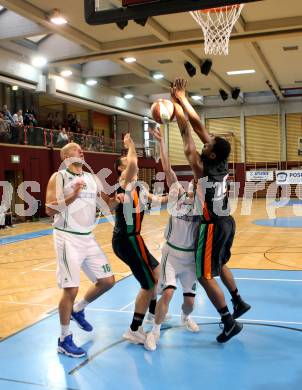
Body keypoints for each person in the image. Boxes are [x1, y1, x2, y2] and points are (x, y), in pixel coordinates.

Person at [172, 78, 251, 343]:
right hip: (228, 222)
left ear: (212, 154)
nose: (205, 142)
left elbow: (187, 137)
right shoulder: (221, 160)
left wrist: (176, 110)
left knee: (204, 275)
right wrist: (183, 99)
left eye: (207, 144)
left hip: (213, 226)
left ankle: (228, 322)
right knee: (221, 263)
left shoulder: (203, 169)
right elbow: (199, 127)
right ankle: (238, 301)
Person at [46, 142, 121, 357]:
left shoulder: (91, 178)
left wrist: (117, 200)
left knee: (107, 281)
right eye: (75, 148)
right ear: (66, 156)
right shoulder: (58, 177)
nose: (81, 150)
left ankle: (78, 310)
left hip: (88, 237)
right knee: (70, 289)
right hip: (66, 237)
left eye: (81, 149)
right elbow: (49, 209)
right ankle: (63, 339)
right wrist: (73, 196)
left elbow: (105, 205)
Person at [144, 126, 200, 352]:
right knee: (167, 292)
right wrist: (161, 141)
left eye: (198, 184)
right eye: (193, 183)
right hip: (171, 253)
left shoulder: (203, 206)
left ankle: (184, 318)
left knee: (189, 302)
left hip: (190, 260)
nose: (194, 185)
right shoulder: (177, 192)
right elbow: (167, 167)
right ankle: (154, 332)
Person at [112, 133, 168, 344]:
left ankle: (153, 312)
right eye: (125, 163)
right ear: (120, 169)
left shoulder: (140, 188)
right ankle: (134, 329)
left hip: (135, 239)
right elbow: (134, 163)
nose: (130, 164)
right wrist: (130, 145)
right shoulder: (124, 182)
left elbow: (158, 200)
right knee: (148, 283)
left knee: (156, 272)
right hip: (126, 239)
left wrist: (176, 196)